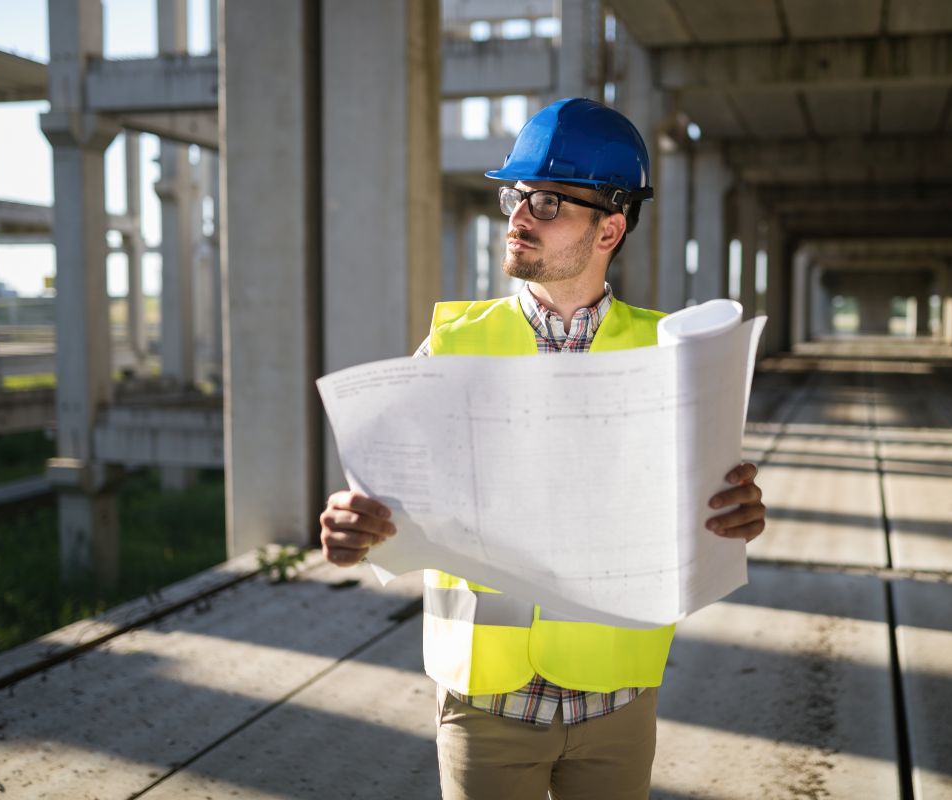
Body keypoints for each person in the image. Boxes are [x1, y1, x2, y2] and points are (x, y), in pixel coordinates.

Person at [319, 97, 766, 800]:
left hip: (616, 700)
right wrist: (357, 531)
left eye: (548, 202)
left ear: (610, 227)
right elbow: (394, 508)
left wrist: (733, 513)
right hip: (484, 706)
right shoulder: (454, 346)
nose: (519, 217)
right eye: (515, 196)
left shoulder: (668, 354)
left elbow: (704, 509)